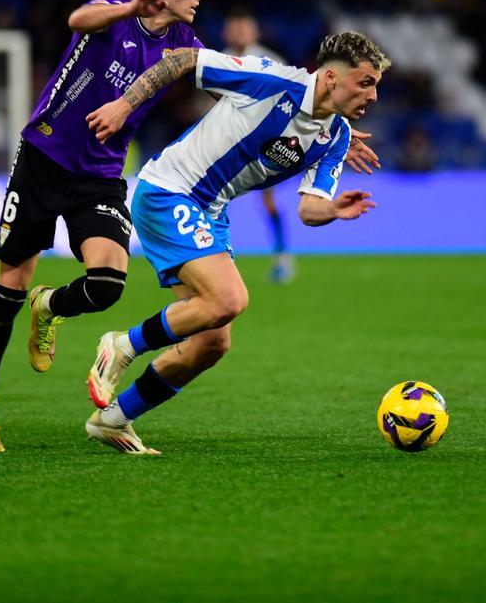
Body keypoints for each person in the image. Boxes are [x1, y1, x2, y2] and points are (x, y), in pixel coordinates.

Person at [0, 0, 381, 453]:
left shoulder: (190, 42)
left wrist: (327, 169)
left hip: (102, 174)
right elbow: (79, 18)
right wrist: (128, 32)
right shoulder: (114, 9)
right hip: (46, 158)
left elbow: (213, 80)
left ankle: (97, 390)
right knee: (8, 289)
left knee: (156, 309)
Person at [80, 32, 390, 454]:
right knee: (229, 298)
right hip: (169, 190)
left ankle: (114, 420)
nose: (372, 95)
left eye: (375, 85)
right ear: (332, 77)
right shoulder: (272, 80)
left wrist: (333, 210)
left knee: (211, 342)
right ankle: (121, 345)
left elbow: (309, 210)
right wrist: (123, 105)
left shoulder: (335, 137)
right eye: (365, 82)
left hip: (210, 210)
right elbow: (184, 60)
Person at [221, 7, 294, 283]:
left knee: (269, 202)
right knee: (215, 200)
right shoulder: (220, 58)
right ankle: (218, 258)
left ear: (254, 31)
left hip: (265, 142)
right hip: (228, 142)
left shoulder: (270, 60)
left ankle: (282, 257)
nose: (239, 32)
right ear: (227, 31)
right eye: (234, 27)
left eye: (244, 27)